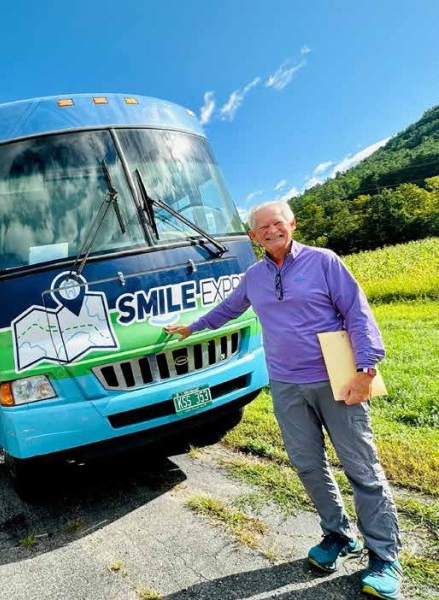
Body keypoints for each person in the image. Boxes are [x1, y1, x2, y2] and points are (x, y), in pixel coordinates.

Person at [165, 201, 403, 599]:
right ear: (253, 237)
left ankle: (383, 557)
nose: (271, 230)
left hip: (337, 380)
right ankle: (338, 535)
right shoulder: (254, 276)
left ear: (291, 224)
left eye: (278, 223)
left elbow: (357, 314)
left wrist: (366, 370)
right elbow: (228, 309)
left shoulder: (324, 261)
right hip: (287, 386)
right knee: (308, 465)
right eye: (262, 227)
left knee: (361, 468)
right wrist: (192, 327)